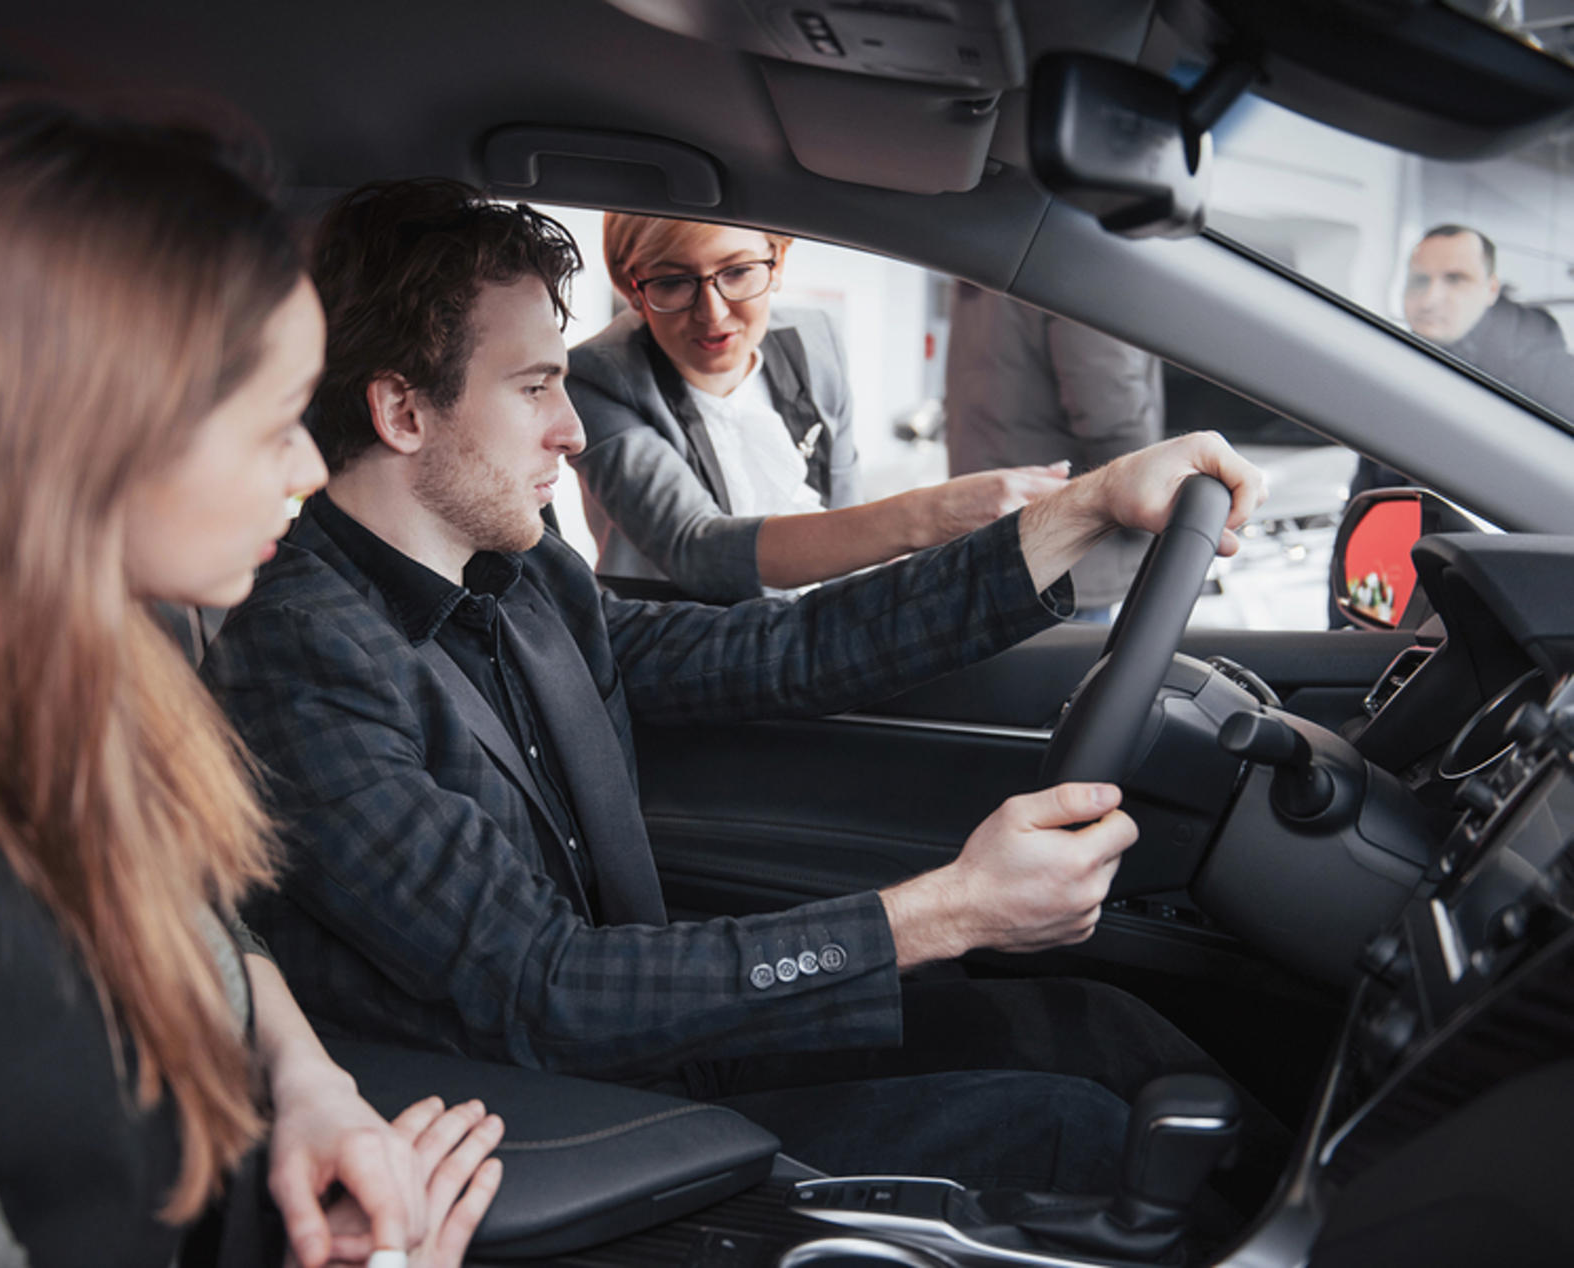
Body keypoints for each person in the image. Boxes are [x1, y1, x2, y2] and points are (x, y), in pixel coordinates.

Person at [203, 178, 1274, 1196]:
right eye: (534, 386)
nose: (570, 428)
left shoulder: (522, 576)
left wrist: (1081, 509)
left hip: (667, 1044)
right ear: (401, 409)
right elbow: (542, 982)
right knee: (1091, 1131)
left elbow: (777, 648)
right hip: (566, 1121)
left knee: (1103, 1031)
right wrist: (946, 910)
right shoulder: (299, 657)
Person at [0, 94, 502, 1268]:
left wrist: (310, 1084)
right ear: (85, 440)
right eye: (274, 423)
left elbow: (191, 921)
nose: (312, 467)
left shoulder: (102, 657)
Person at [567, 213, 1068, 602]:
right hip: (678, 644)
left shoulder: (815, 340)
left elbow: (844, 518)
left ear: (778, 260)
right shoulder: (597, 378)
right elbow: (696, 548)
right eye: (674, 282)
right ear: (631, 288)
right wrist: (935, 512)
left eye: (738, 272)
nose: (713, 312)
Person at [944, 281, 1164, 620]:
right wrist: (1151, 499)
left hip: (1000, 543)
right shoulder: (1079, 262)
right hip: (1071, 554)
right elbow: (1109, 406)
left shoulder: (994, 266)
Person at [1356, 223, 1574, 494]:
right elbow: (1368, 487)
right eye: (1420, 280)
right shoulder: (1400, 369)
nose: (1430, 299)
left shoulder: (1542, 372)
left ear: (1491, 289)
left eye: (1455, 279)